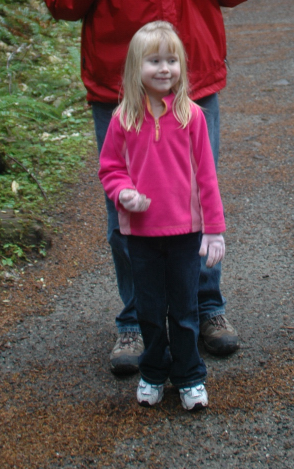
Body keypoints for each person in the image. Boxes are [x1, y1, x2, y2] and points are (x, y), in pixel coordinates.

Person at [42, 0, 256, 374]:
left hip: (193, 86)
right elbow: (59, 1)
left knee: (197, 197)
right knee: (126, 206)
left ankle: (206, 308)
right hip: (120, 93)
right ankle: (134, 320)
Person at [99, 21, 225, 410]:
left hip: (185, 233)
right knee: (150, 310)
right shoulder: (123, 118)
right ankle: (153, 372)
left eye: (172, 60)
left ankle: (190, 376)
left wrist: (214, 230)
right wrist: (123, 192)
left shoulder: (192, 116)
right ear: (135, 67)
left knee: (185, 309)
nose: (164, 68)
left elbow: (207, 177)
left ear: (181, 66)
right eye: (154, 61)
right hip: (140, 235)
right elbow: (110, 168)